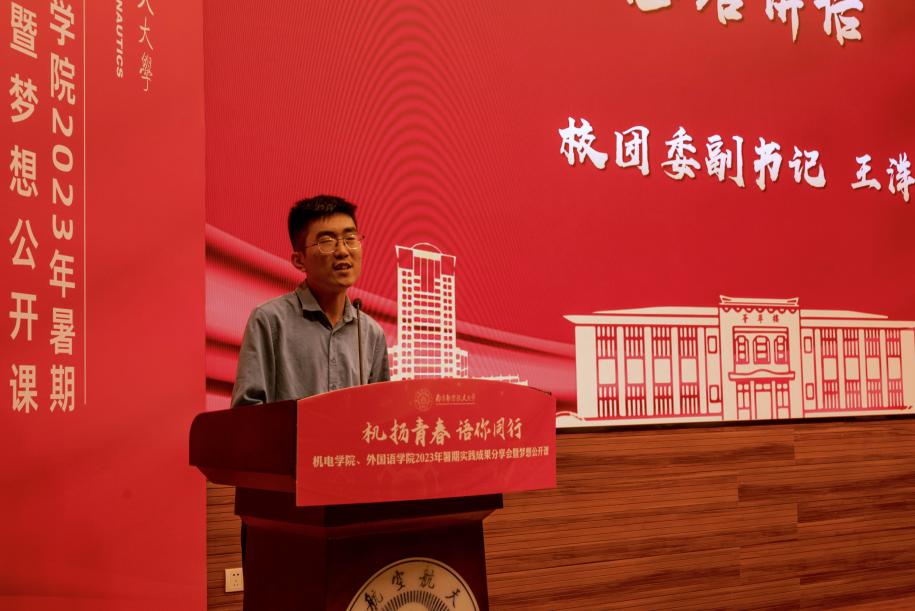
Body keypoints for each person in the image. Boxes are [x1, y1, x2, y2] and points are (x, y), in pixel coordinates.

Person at [231, 194, 390, 408]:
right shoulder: (270, 321)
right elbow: (247, 411)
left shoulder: (371, 333)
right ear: (299, 260)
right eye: (327, 242)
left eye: (350, 239)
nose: (343, 251)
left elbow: (380, 414)